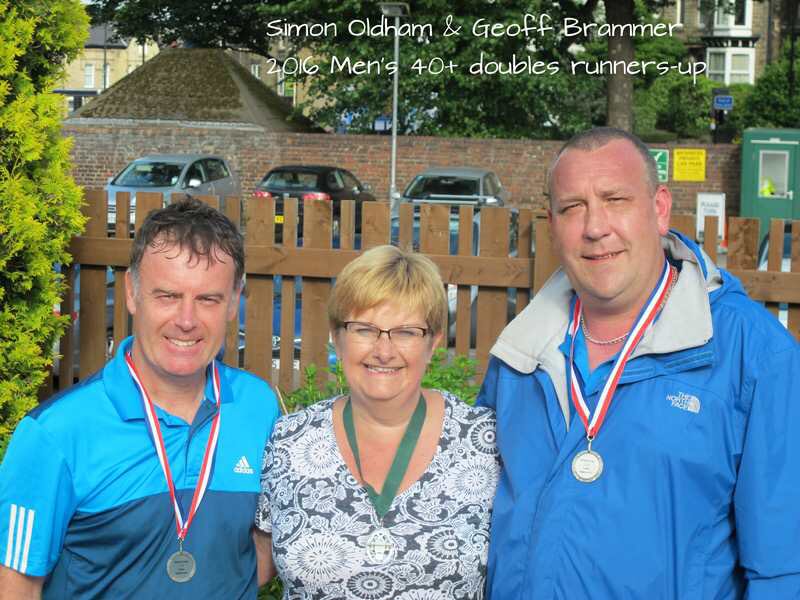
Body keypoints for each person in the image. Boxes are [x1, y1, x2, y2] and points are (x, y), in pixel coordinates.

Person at [477, 127, 800, 599]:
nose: (595, 227)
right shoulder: (519, 352)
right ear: (552, 225)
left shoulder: (754, 355)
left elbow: (783, 571)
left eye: (615, 200)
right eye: (573, 207)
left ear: (660, 208)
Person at [0, 198, 280, 598]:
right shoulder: (55, 434)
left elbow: (258, 555)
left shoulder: (257, 407)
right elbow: (14, 587)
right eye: (167, 296)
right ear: (132, 293)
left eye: (208, 299)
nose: (186, 321)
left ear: (234, 301)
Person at [255, 245, 500, 598]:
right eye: (365, 329)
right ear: (337, 337)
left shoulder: (484, 442)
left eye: (406, 332)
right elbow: (254, 565)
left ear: (433, 343)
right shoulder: (289, 440)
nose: (384, 351)